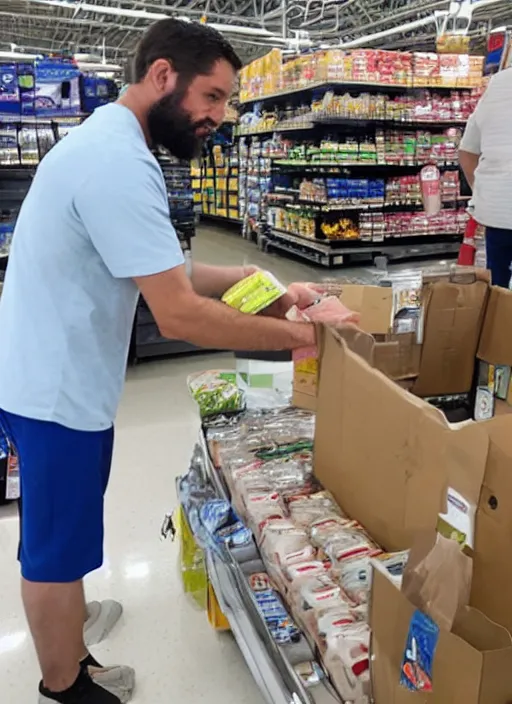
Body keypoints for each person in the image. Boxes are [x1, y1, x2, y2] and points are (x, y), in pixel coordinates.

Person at [0, 19, 316, 704]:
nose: (218, 117)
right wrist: (300, 337)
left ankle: (71, 635)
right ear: (163, 75)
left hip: (60, 376)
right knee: (53, 547)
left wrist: (279, 292)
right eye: (212, 96)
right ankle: (63, 681)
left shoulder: (113, 145)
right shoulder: (116, 163)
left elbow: (172, 269)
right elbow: (177, 312)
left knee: (65, 529)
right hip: (54, 391)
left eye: (227, 102)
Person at [459, 70, 512, 287]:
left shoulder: (498, 83)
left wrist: (481, 190)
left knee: (499, 292)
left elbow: (466, 152)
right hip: (498, 210)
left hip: (498, 214)